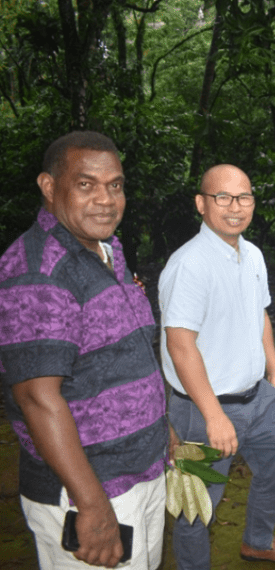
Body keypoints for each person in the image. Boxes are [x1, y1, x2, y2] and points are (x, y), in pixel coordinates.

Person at [0, 131, 171, 569]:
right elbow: (37, 398)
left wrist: (158, 429)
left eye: (115, 184)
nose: (106, 199)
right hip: (91, 490)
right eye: (85, 184)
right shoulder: (39, 271)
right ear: (49, 187)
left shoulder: (105, 248)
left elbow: (123, 356)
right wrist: (92, 506)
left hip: (140, 471)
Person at [159, 164, 275, 568]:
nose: (235, 207)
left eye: (244, 197)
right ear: (201, 204)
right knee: (196, 506)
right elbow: (180, 345)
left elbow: (259, 316)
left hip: (256, 397)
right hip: (201, 410)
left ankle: (258, 540)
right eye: (223, 197)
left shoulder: (252, 254)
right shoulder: (189, 264)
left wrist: (274, 374)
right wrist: (213, 416)